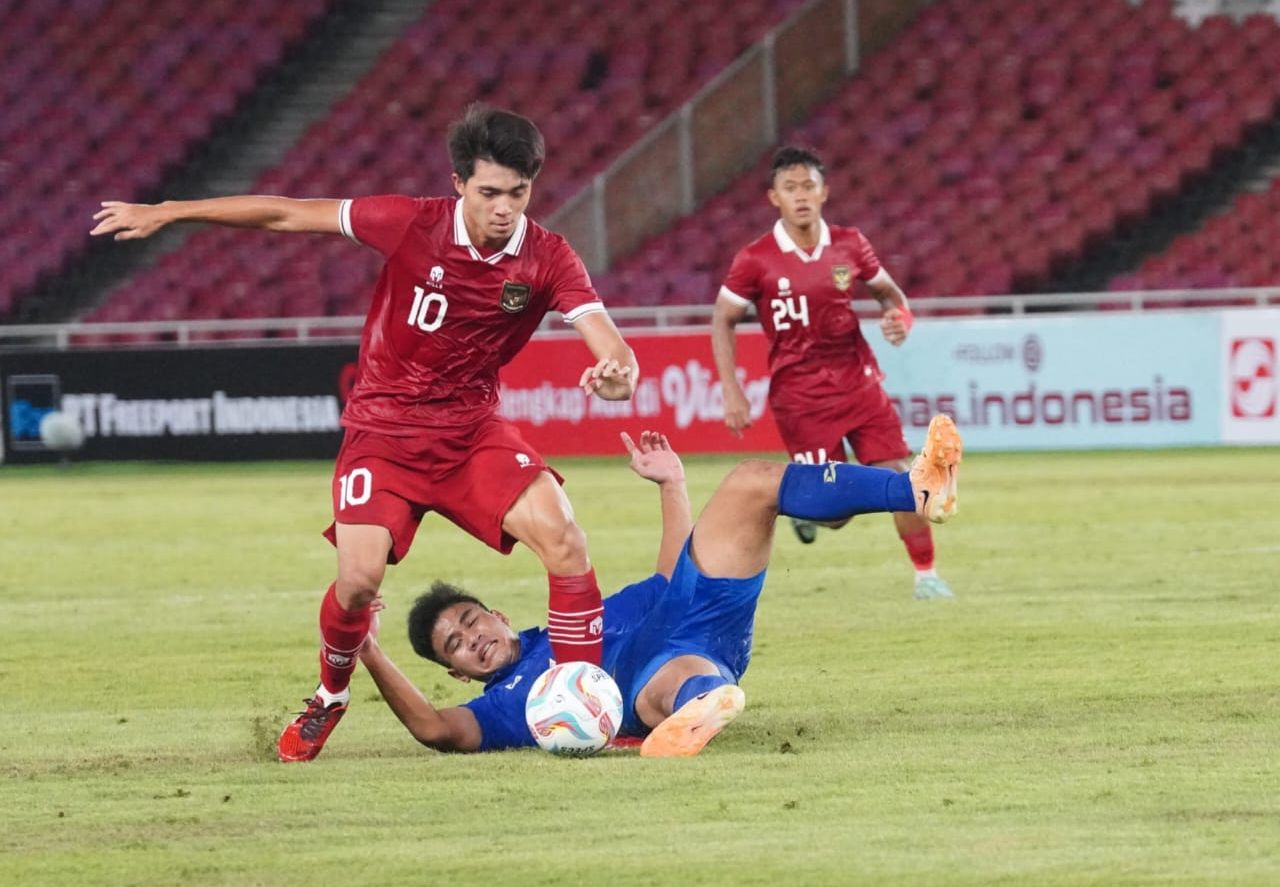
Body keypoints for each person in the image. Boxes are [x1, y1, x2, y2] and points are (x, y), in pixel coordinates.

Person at [90, 104, 640, 762]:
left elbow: (611, 347)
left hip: (470, 431)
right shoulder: (410, 222)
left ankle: (584, 704)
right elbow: (289, 213)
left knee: (565, 538)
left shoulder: (547, 256)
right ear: (460, 182)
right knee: (358, 579)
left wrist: (617, 376)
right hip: (382, 431)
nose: (503, 208)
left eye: (517, 193)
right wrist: (170, 210)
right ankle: (330, 693)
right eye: (489, 192)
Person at [356, 414, 961, 757]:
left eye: (469, 621)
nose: (472, 638)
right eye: (455, 646)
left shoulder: (579, 619)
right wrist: (368, 650)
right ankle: (699, 706)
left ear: (496, 613)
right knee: (663, 682)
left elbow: (669, 578)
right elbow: (434, 728)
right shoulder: (507, 707)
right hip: (670, 670)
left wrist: (672, 483)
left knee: (750, 481)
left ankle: (916, 489)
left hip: (691, 613)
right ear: (458, 672)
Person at [711, 146, 952, 601]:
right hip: (801, 399)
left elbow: (893, 298)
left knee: (902, 475)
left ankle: (928, 577)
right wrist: (731, 390)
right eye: (790, 188)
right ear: (773, 198)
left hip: (860, 384)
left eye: (809, 186)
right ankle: (800, 505)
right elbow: (722, 318)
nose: (801, 195)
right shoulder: (755, 259)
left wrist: (901, 320)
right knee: (834, 510)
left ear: (825, 193)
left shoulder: (850, 244)